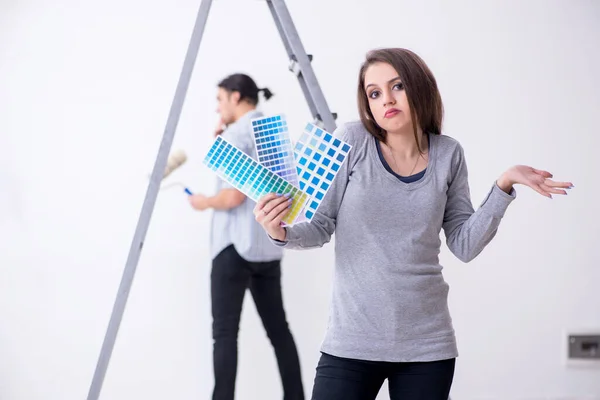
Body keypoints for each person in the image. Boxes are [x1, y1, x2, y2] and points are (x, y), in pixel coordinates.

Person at [253, 49, 573, 400]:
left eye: (397, 86)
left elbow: (464, 244)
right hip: (351, 342)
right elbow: (322, 224)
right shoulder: (351, 140)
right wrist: (279, 232)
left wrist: (504, 185)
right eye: (374, 93)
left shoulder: (449, 154)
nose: (386, 99)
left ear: (419, 87)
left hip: (426, 347)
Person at [189, 73, 304, 400]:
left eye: (220, 99)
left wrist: (203, 202)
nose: (217, 107)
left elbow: (233, 197)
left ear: (236, 97)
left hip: (233, 249)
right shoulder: (272, 133)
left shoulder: (235, 135)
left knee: (224, 334)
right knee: (279, 332)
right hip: (268, 248)